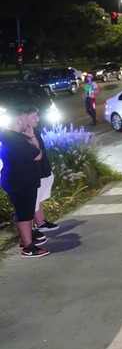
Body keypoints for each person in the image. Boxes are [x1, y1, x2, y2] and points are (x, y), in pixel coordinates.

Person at [0, 105, 49, 258]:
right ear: (18, 120)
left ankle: (26, 239)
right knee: (24, 214)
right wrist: (33, 139)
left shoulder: (14, 136)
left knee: (25, 212)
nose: (26, 123)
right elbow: (37, 155)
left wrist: (32, 137)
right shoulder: (13, 138)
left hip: (21, 180)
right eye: (23, 119)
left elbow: (35, 152)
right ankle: (28, 247)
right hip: (20, 181)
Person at [22, 108, 59, 233]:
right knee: (33, 201)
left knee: (38, 199)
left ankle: (40, 223)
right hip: (36, 173)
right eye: (34, 117)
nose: (37, 119)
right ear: (24, 119)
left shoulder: (33, 131)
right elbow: (35, 155)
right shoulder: (24, 135)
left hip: (43, 171)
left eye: (37, 116)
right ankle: (32, 229)